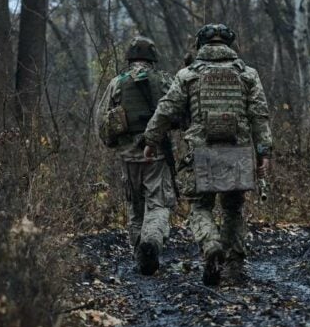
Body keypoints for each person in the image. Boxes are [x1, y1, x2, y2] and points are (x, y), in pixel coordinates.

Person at [142, 24, 272, 287]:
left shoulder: (188, 75)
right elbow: (259, 115)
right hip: (238, 151)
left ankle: (211, 245)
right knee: (233, 208)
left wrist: (151, 139)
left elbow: (167, 109)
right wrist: (264, 152)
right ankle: (233, 266)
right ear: (230, 45)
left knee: (200, 207)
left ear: (201, 45)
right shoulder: (247, 74)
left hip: (201, 152)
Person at [97, 36, 176, 275]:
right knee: (159, 203)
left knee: (135, 205)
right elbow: (177, 109)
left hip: (128, 154)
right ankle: (150, 241)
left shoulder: (117, 83)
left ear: (129, 58)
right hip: (157, 152)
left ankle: (140, 255)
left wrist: (113, 143)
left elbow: (102, 120)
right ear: (152, 58)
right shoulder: (163, 80)